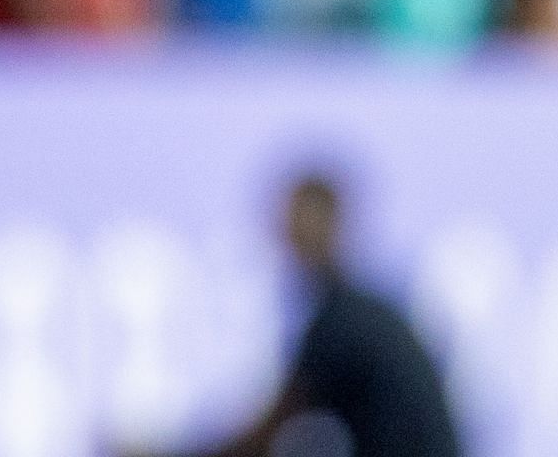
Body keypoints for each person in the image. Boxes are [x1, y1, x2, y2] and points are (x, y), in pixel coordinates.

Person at [134, 172, 461, 457]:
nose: (294, 234)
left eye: (303, 221)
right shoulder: (357, 312)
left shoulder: (343, 323)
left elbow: (266, 433)